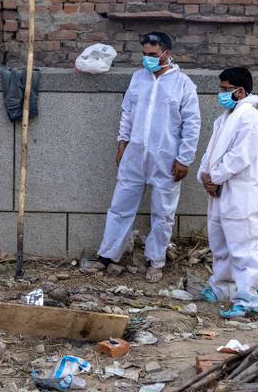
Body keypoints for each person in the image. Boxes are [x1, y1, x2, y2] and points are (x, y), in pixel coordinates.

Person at [85, 32, 201, 282]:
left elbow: (192, 125)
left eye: (152, 55)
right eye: (145, 54)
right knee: (120, 207)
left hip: (167, 158)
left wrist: (184, 158)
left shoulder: (183, 84)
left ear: (166, 54)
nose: (147, 59)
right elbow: (127, 112)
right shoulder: (138, 79)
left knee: (163, 212)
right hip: (134, 155)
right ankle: (107, 255)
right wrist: (122, 142)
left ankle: (155, 261)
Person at [197, 67, 258, 319]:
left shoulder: (251, 119)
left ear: (240, 92)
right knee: (220, 242)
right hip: (221, 190)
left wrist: (215, 176)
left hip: (243, 192)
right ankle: (223, 288)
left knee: (242, 247)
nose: (220, 93)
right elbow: (211, 154)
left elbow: (239, 157)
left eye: (225, 89)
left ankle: (247, 298)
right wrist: (205, 176)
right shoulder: (225, 118)